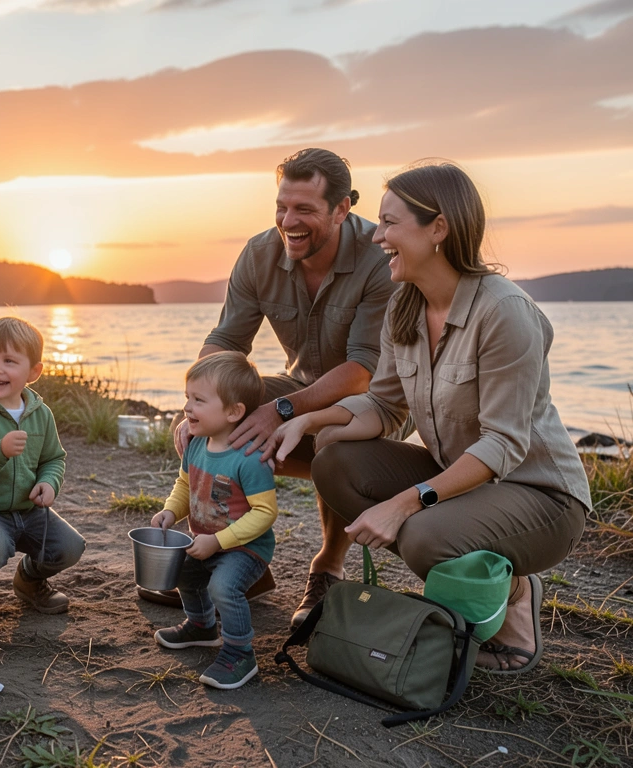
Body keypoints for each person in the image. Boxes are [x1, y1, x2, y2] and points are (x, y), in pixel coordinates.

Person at [272, 161, 590, 671]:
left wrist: (404, 505)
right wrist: (310, 422)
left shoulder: (505, 312)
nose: (377, 236)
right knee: (332, 460)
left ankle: (513, 593)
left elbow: (503, 445)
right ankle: (467, 551)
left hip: (540, 497)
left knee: (422, 535)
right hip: (462, 485)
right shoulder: (405, 306)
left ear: (438, 228)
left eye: (391, 223)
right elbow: (383, 406)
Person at [139, 148, 396, 626]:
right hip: (299, 386)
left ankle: (328, 566)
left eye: (304, 210)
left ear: (342, 208)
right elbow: (225, 340)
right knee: (221, 413)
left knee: (335, 443)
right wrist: (194, 407)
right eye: (281, 206)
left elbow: (363, 368)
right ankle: (232, 564)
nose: (288, 221)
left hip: (371, 405)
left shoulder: (378, 258)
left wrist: (281, 409)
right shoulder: (260, 253)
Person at [0, 317, 86, 631]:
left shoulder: (41, 414)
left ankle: (29, 580)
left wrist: (48, 484)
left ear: (33, 372)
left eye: (9, 361)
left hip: (27, 509)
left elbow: (53, 459)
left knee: (70, 547)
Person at [150, 352, 278, 689]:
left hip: (245, 549)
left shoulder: (249, 458)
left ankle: (240, 652)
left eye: (199, 400)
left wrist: (218, 542)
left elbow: (266, 513)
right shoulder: (195, 445)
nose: (187, 408)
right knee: (180, 571)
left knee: (223, 587)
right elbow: (184, 486)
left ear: (234, 412)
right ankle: (202, 626)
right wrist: (170, 511)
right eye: (186, 398)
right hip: (206, 541)